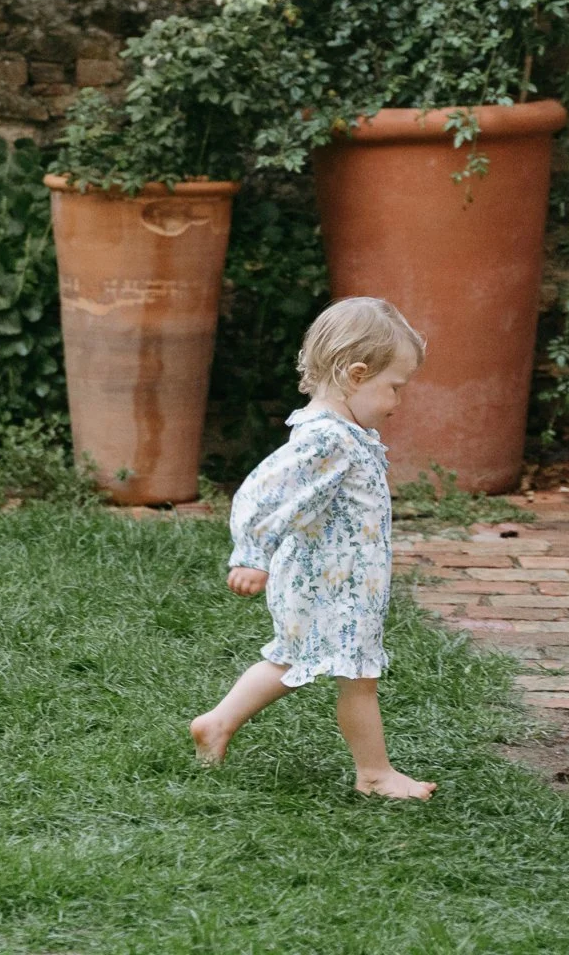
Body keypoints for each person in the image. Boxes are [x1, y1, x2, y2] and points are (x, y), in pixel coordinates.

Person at [189, 296, 435, 800]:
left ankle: (216, 723)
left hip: (328, 582)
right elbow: (265, 490)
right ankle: (374, 773)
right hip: (334, 588)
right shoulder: (330, 440)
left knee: (289, 661)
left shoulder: (337, 431)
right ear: (356, 374)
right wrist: (251, 554)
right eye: (394, 388)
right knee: (358, 675)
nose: (397, 402)